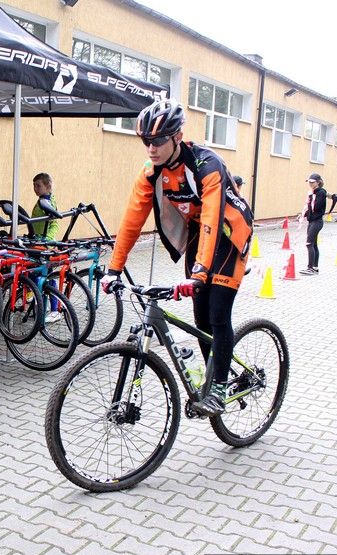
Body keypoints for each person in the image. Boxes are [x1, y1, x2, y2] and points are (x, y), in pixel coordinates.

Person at [102, 99, 253, 417]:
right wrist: (114, 269)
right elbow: (132, 220)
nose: (151, 148)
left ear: (177, 137)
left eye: (158, 140)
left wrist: (199, 273)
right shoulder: (151, 172)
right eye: (146, 141)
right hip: (201, 234)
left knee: (217, 314)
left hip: (229, 233)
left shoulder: (206, 164)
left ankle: (219, 389)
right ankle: (212, 376)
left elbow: (212, 217)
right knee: (200, 319)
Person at [298, 173, 326, 275]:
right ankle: (315, 267)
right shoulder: (313, 193)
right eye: (309, 182)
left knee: (309, 244)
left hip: (317, 222)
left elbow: (316, 207)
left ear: (318, 182)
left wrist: (311, 197)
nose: (310, 184)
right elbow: (310, 209)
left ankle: (310, 268)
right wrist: (303, 215)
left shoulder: (321, 192)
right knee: (314, 244)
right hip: (312, 221)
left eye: (312, 182)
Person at [31, 172, 60, 240]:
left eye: (38, 186)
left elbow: (54, 224)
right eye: (34, 185)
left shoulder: (49, 202)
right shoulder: (41, 199)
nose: (35, 188)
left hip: (44, 240)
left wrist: (47, 238)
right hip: (36, 237)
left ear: (48, 187)